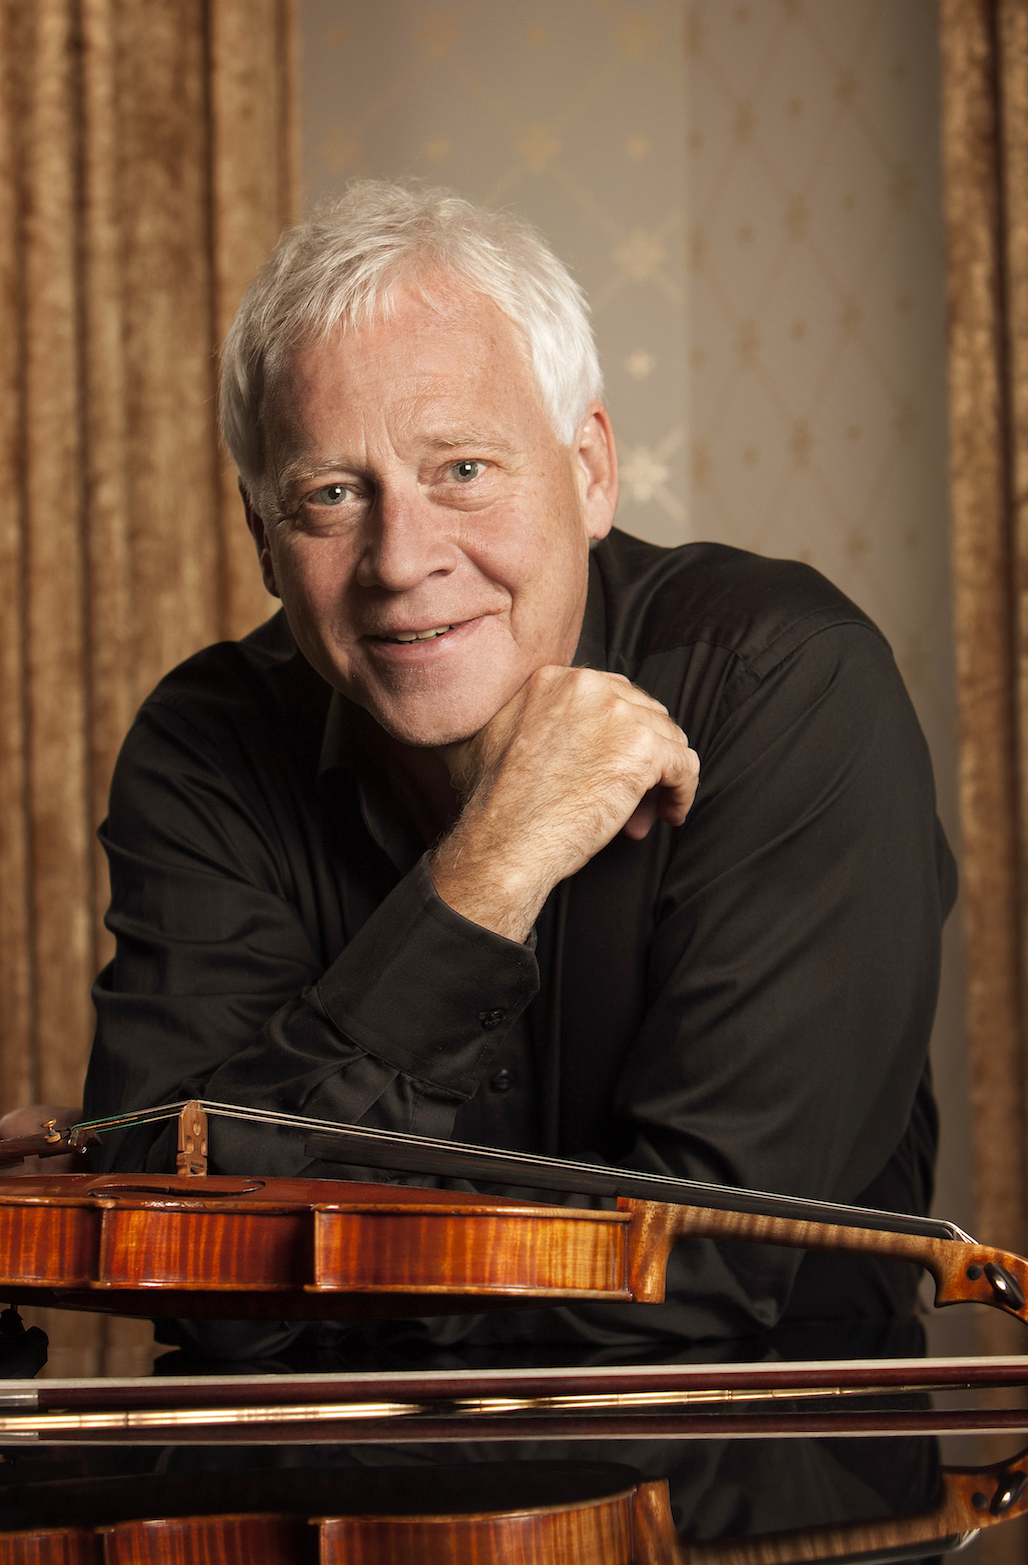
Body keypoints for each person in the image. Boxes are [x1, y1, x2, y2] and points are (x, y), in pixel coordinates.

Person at [67, 181, 957, 1347]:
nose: (401, 560)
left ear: (589, 471)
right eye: (332, 495)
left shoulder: (786, 684)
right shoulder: (206, 744)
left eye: (463, 470)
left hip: (740, 1461)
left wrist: (308, 1280)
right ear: (264, 541)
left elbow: (700, 1273)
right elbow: (172, 1255)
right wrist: (490, 865)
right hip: (306, 1468)